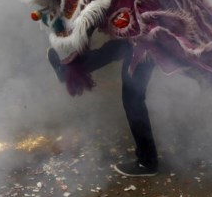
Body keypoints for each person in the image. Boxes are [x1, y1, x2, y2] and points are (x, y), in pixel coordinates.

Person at [47, 41, 159, 177]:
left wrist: (83, 41)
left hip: (146, 44)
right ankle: (67, 71)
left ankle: (147, 162)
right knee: (115, 47)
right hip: (140, 41)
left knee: (133, 100)